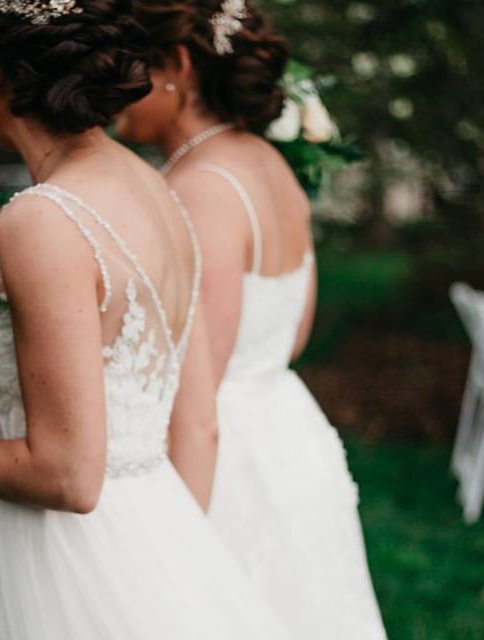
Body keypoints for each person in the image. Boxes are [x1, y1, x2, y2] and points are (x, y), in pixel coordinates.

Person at [0, 1, 295, 637]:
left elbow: (67, 474)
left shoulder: (43, 218)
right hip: (156, 528)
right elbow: (191, 414)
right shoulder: (158, 188)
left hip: (68, 558)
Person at [115, 1, 386, 636]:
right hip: (290, 429)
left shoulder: (199, 187)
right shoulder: (276, 168)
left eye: (131, 65)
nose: (113, 85)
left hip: (221, 459)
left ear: (177, 65)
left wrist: (172, 541)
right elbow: (293, 333)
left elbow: (196, 391)